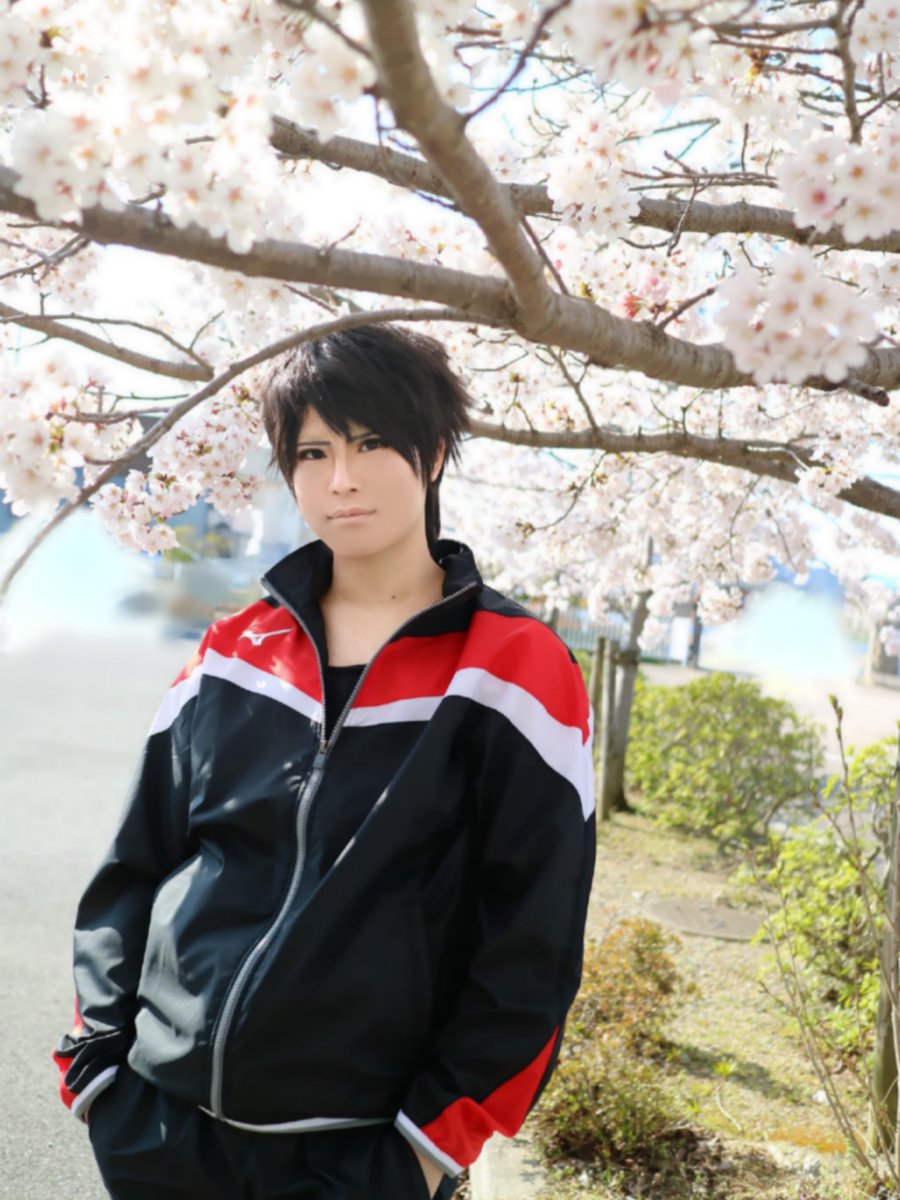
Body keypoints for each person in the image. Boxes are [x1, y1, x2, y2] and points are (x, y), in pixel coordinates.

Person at [52, 323, 597, 1200]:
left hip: (355, 1156)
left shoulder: (511, 670)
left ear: (435, 452)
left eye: (372, 443)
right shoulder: (234, 651)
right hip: (158, 1128)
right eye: (312, 452)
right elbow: (132, 868)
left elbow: (533, 941)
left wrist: (424, 1153)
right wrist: (98, 1069)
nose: (341, 478)